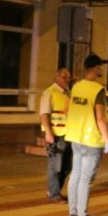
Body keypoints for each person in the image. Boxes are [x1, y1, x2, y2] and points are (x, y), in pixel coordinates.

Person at [64, 53, 108, 216]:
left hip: (76, 137)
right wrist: (106, 139)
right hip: (91, 140)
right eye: (100, 66)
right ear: (94, 68)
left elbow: (66, 109)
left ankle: (72, 213)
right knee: (85, 178)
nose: (101, 69)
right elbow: (101, 118)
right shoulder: (97, 89)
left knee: (75, 175)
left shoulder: (76, 87)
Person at [39, 67, 72, 203]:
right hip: (56, 135)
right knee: (55, 166)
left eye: (69, 77)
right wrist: (48, 133)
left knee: (67, 166)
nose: (67, 80)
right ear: (56, 77)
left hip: (69, 134)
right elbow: (44, 114)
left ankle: (54, 190)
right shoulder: (49, 93)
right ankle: (54, 194)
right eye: (64, 77)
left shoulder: (67, 94)